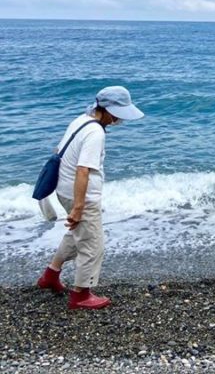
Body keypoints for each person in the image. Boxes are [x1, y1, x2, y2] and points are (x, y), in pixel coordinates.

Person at [36, 86, 144, 309]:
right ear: (105, 109)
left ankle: (50, 276)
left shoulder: (81, 120)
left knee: (78, 234)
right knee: (92, 244)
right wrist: (78, 206)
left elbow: (59, 150)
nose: (118, 119)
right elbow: (83, 170)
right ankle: (81, 295)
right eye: (116, 113)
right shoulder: (95, 133)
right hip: (80, 195)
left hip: (64, 189)